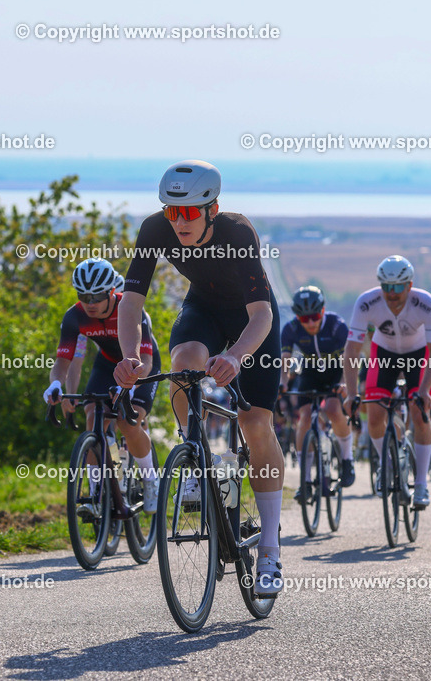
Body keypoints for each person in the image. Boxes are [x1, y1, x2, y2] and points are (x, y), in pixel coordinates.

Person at [114, 160, 285, 596]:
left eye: (189, 213)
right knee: (184, 358)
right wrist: (131, 357)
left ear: (212, 209)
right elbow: (131, 302)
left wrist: (235, 356)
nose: (179, 222)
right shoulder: (155, 229)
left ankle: (269, 547)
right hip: (204, 310)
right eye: (173, 213)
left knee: (254, 423)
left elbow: (262, 314)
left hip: (252, 322)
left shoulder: (237, 232)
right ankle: (192, 452)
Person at [44, 259, 159, 513]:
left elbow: (147, 361)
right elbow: (65, 361)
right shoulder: (74, 316)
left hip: (141, 365)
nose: (91, 302)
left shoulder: (131, 309)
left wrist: (128, 386)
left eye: (97, 296)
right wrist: (56, 384)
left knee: (128, 421)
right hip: (107, 364)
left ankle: (151, 479)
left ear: (111, 293)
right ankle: (97, 493)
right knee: (93, 414)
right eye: (84, 295)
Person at [342, 256, 431, 510]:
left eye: (398, 287)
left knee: (420, 414)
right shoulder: (367, 302)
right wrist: (351, 393)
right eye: (386, 287)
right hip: (383, 353)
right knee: (374, 415)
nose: (392, 293)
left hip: (418, 355)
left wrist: (424, 391)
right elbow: (352, 351)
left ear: (409, 286)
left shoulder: (426, 303)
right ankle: (386, 465)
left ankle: (421, 483)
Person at [280, 285, 354, 497]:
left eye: (315, 316)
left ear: (323, 310)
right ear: (297, 317)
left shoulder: (336, 325)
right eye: (304, 319)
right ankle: (305, 481)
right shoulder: (291, 329)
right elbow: (284, 361)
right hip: (310, 372)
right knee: (304, 418)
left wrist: (343, 383)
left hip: (335, 371)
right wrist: (283, 383)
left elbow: (349, 359)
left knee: (332, 409)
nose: (311, 323)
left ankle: (347, 459)